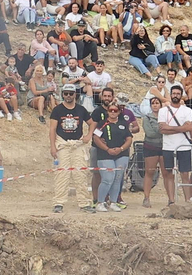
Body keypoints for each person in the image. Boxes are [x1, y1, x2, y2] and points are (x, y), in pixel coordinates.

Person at [49, 85, 91, 213]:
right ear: (62, 94)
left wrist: (88, 135)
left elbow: (92, 122)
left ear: (75, 95)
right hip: (63, 144)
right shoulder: (57, 110)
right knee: (62, 174)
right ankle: (59, 203)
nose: (68, 96)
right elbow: (52, 129)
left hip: (78, 144)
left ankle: (84, 203)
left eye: (71, 93)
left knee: (80, 174)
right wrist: (52, 146)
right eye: (66, 93)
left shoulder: (81, 109)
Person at [93, 103, 134, 211]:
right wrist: (107, 149)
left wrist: (121, 149)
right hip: (105, 154)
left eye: (115, 110)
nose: (112, 112)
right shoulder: (102, 124)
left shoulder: (123, 124)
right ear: (107, 111)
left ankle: (114, 201)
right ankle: (100, 201)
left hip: (121, 154)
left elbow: (129, 139)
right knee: (107, 178)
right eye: (110, 110)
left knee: (117, 178)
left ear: (119, 112)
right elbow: (96, 137)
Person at [158, 88, 192, 205]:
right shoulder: (163, 111)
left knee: (185, 174)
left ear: (181, 96)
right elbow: (162, 129)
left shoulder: (187, 110)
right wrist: (181, 128)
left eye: (178, 94)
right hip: (168, 147)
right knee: (169, 174)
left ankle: (187, 200)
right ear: (171, 95)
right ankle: (171, 200)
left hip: (184, 147)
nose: (176, 95)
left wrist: (171, 128)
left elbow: (189, 127)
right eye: (174, 93)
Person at [137, 95, 166, 207]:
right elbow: (150, 133)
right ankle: (146, 197)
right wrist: (163, 129)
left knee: (167, 173)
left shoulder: (166, 117)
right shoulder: (146, 118)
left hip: (164, 147)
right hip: (151, 147)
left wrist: (164, 129)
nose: (155, 105)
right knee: (149, 172)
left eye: (157, 103)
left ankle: (171, 198)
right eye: (153, 103)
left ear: (160, 105)